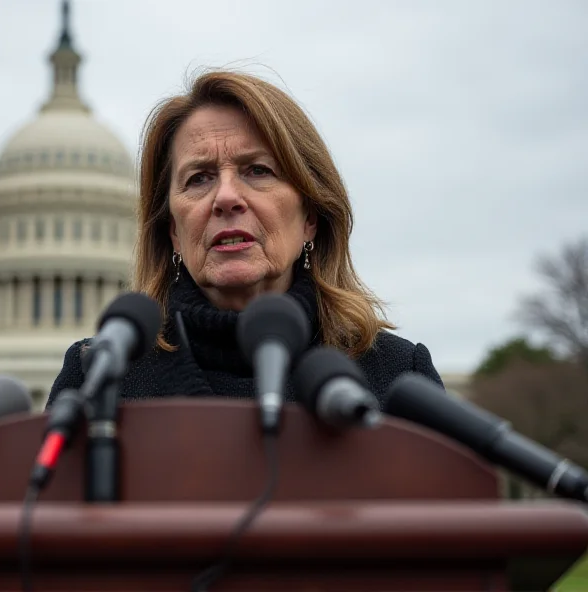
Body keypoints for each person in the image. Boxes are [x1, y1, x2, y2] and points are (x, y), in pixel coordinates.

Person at [46, 70, 443, 410]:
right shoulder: (98, 376)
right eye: (199, 178)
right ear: (172, 232)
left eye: (257, 170)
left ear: (311, 217)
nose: (226, 198)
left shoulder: (396, 376)